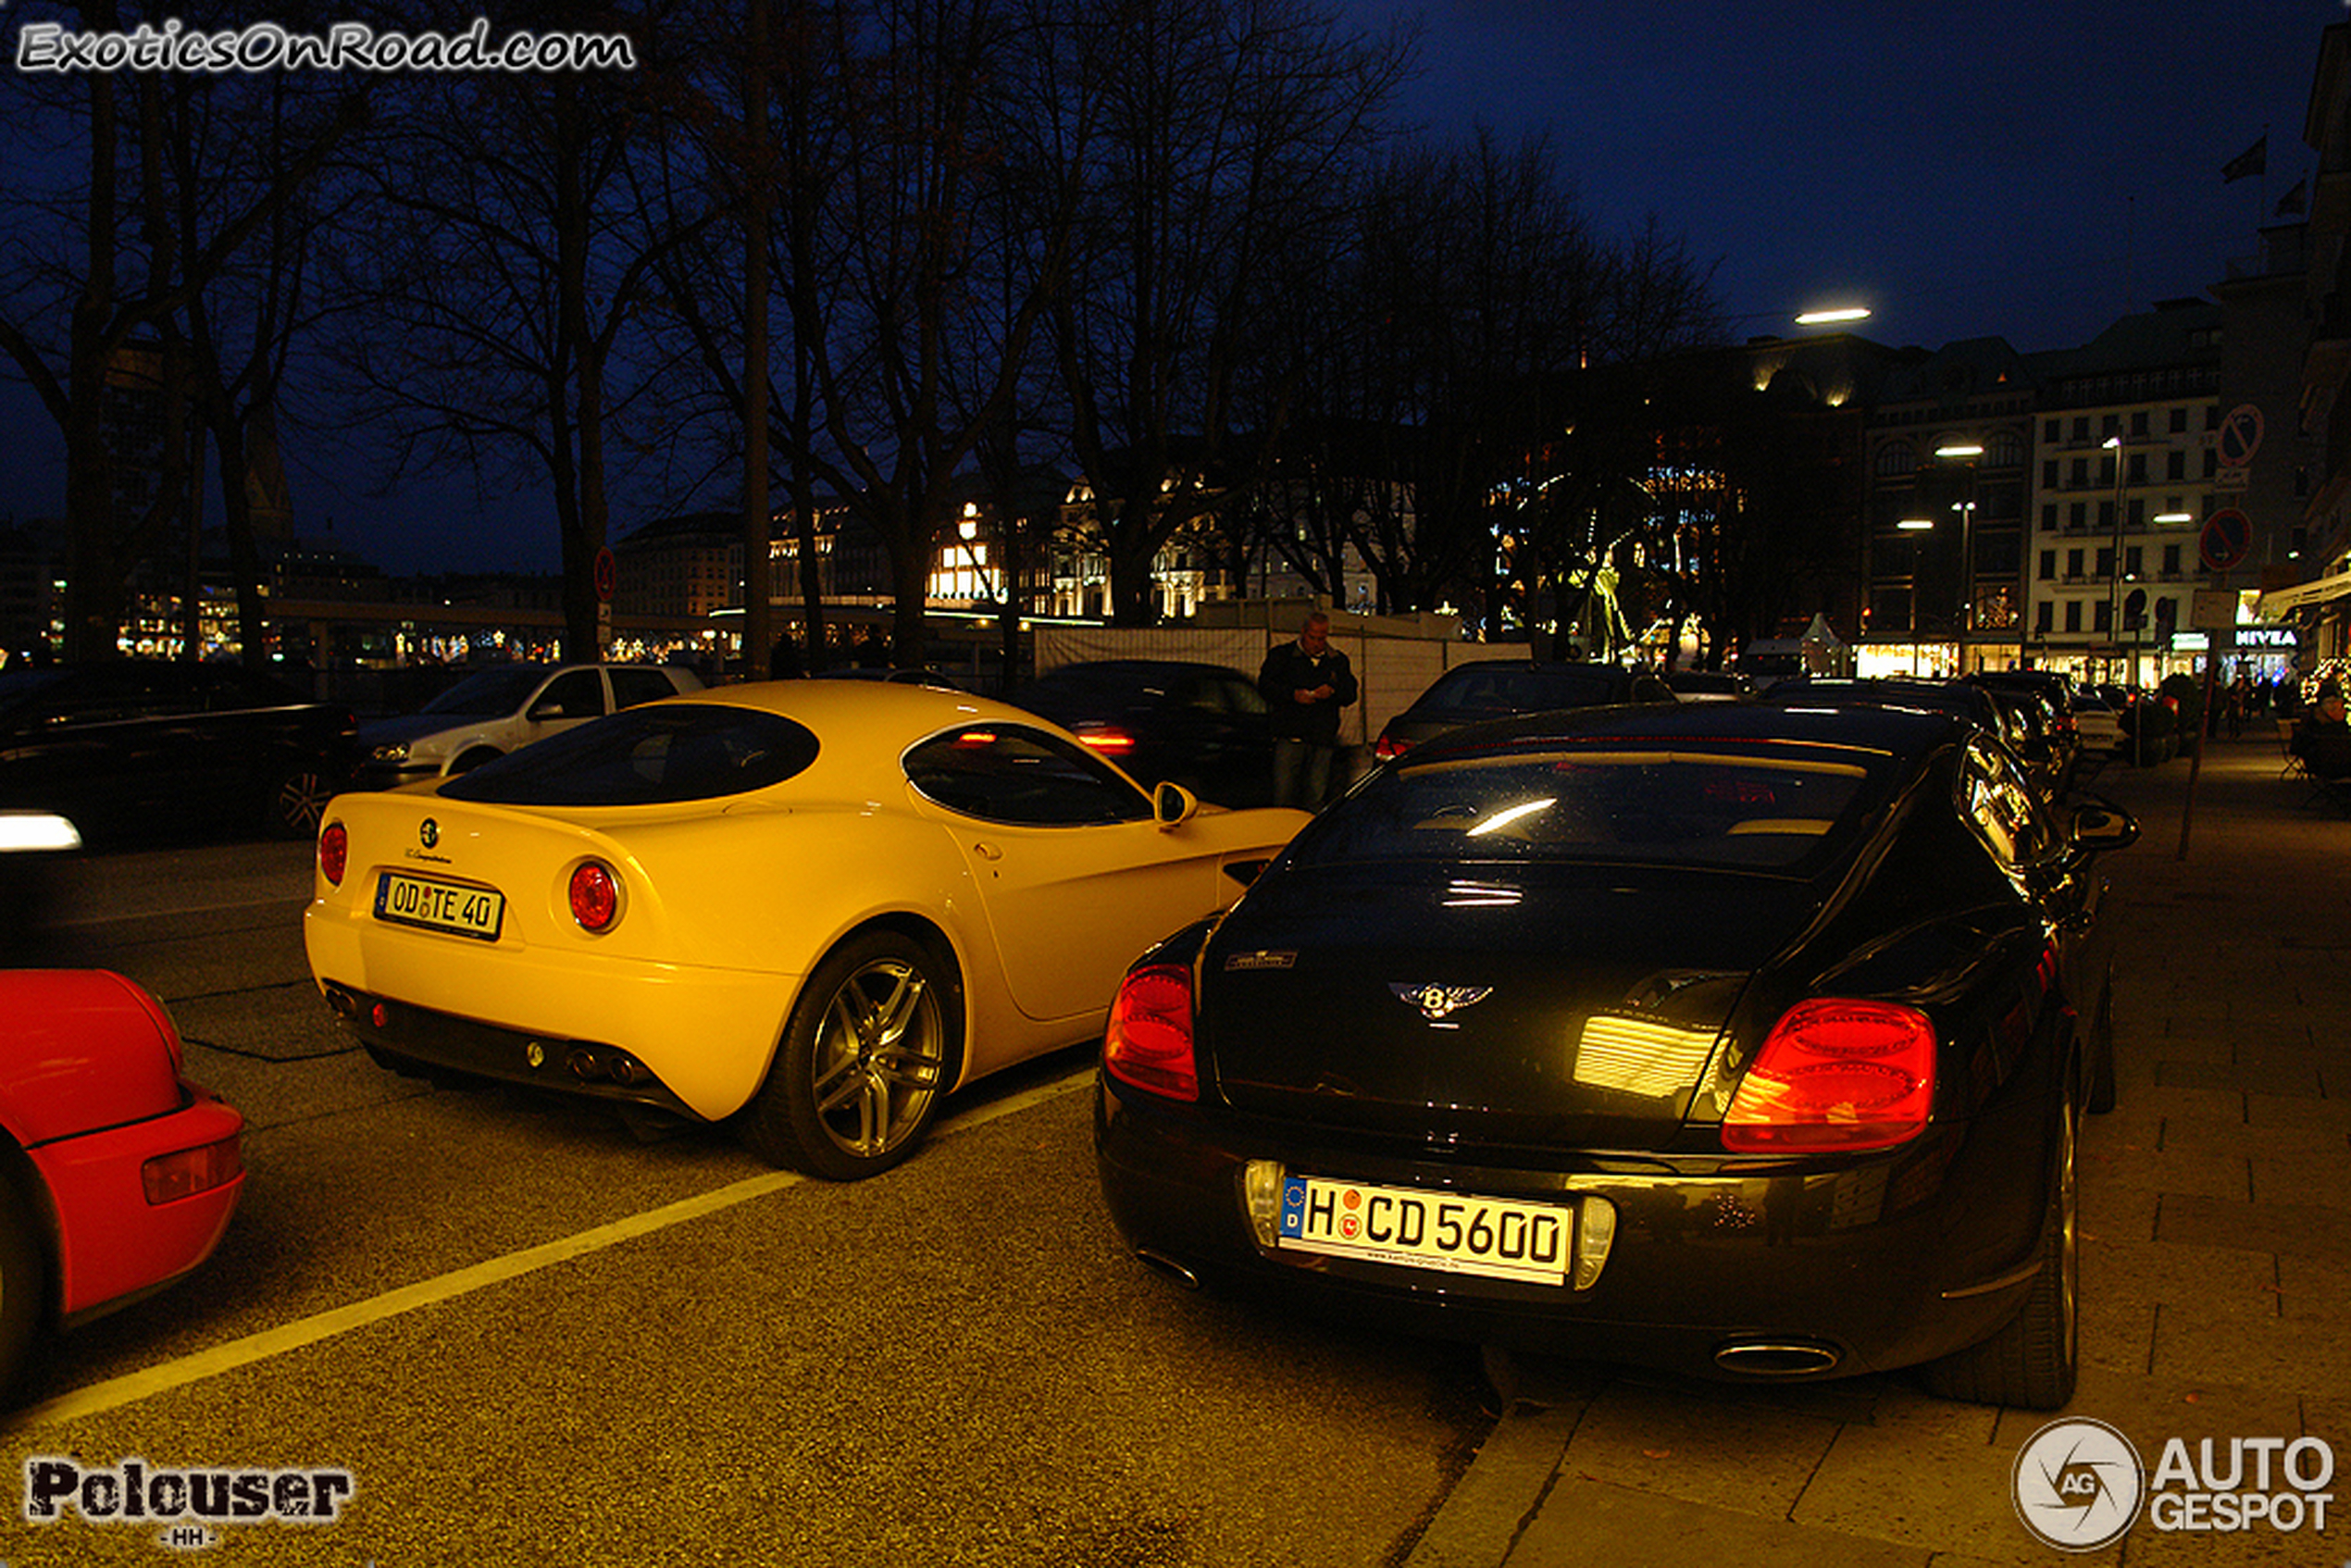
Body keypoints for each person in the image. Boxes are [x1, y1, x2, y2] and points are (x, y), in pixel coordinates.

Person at [1258, 610, 1358, 810]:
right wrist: (1293, 695)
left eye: (1322, 638)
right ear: (1303, 632)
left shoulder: (1337, 661)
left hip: (1321, 738)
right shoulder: (1282, 657)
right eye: (1313, 638)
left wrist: (1332, 692)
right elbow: (1265, 687)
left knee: (1314, 795)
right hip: (1291, 734)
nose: (1317, 643)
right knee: (1285, 794)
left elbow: (1350, 694)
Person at [2291, 684, 2351, 781]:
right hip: (2335, 765)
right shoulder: (2336, 728)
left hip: (2321, 763)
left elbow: (2300, 746)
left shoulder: (2314, 723)